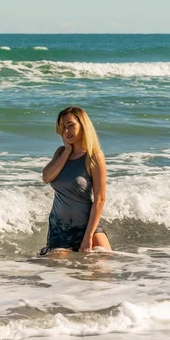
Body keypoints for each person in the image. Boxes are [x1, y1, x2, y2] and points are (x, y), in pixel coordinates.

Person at [40, 106, 111, 255]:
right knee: (58, 272)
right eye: (63, 128)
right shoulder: (60, 153)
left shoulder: (94, 157)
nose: (66, 132)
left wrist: (88, 237)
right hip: (60, 229)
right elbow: (46, 177)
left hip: (87, 227)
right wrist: (67, 151)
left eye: (71, 125)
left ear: (83, 125)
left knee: (101, 272)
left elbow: (100, 199)